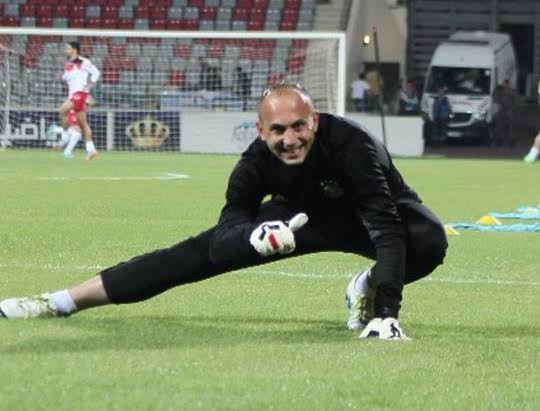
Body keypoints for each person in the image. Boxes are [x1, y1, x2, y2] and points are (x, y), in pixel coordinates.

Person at [0, 83, 447, 341]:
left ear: (314, 120)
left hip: (369, 219)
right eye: (278, 130)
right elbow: (226, 234)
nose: (290, 139)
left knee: (428, 239)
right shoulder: (253, 165)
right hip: (298, 223)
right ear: (260, 130)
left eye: (299, 126)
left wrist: (386, 314)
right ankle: (59, 301)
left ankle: (366, 286)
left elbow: (387, 226)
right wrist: (254, 237)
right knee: (189, 257)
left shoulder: (352, 145)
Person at [60, 41, 101, 161]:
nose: (66, 50)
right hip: (73, 94)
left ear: (74, 49)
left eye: (68, 48)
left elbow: (96, 73)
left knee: (62, 111)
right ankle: (91, 149)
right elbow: (68, 77)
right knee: (83, 124)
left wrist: (89, 86)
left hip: (79, 94)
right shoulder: (68, 63)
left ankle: (65, 136)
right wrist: (62, 77)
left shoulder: (83, 61)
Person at [491, 78, 519, 147]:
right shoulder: (500, 90)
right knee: (500, 126)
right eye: (503, 83)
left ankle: (511, 142)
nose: (504, 84)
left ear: (507, 84)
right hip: (503, 110)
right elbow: (494, 97)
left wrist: (513, 109)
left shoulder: (511, 91)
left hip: (509, 110)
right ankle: (500, 141)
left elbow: (516, 100)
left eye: (505, 83)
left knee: (510, 127)